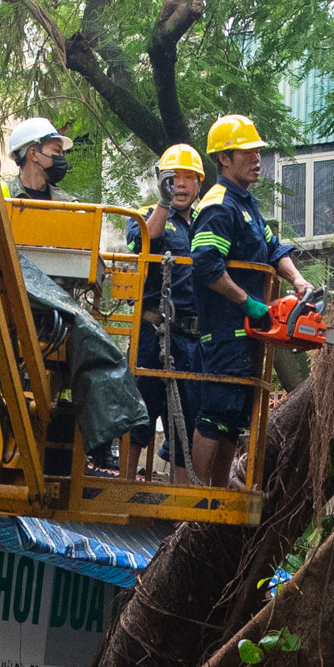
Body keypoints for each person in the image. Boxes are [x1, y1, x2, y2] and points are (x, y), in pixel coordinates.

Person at [188, 114, 313, 488]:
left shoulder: (247, 204)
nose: (257, 158)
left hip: (249, 331)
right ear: (224, 158)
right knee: (216, 412)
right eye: (248, 151)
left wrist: (297, 278)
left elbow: (274, 247)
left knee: (235, 416)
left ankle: (221, 489)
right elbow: (205, 264)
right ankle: (198, 496)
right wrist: (248, 303)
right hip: (226, 328)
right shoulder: (219, 205)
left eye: (258, 150)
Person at [124, 144, 211, 480]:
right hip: (152, 335)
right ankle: (124, 492)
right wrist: (161, 204)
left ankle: (178, 517)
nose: (181, 184)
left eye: (189, 177)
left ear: (199, 183)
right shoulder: (148, 214)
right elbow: (142, 242)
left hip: (192, 340)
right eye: (173, 177)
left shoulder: (207, 221)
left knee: (187, 429)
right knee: (139, 417)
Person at [4, 117, 74, 201]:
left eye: (62, 153)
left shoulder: (68, 205)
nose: (61, 157)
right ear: (34, 154)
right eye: (57, 151)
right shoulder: (1, 197)